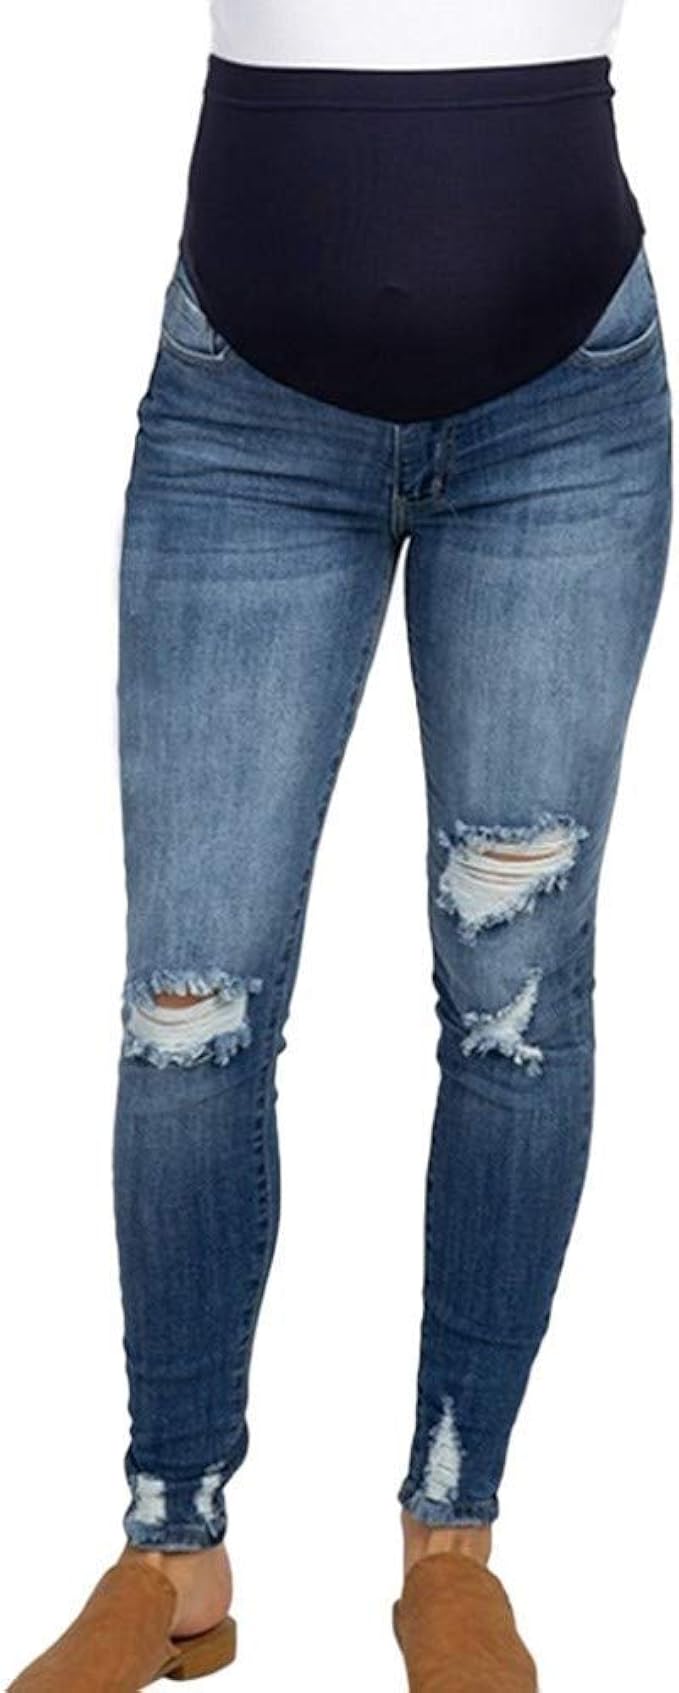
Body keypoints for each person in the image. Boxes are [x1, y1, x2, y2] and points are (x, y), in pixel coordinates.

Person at [8, 4, 673, 1690]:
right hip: (246, 423)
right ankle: (173, 1548)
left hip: (563, 424)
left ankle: (454, 1542)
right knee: (188, 1007)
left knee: (514, 1007)